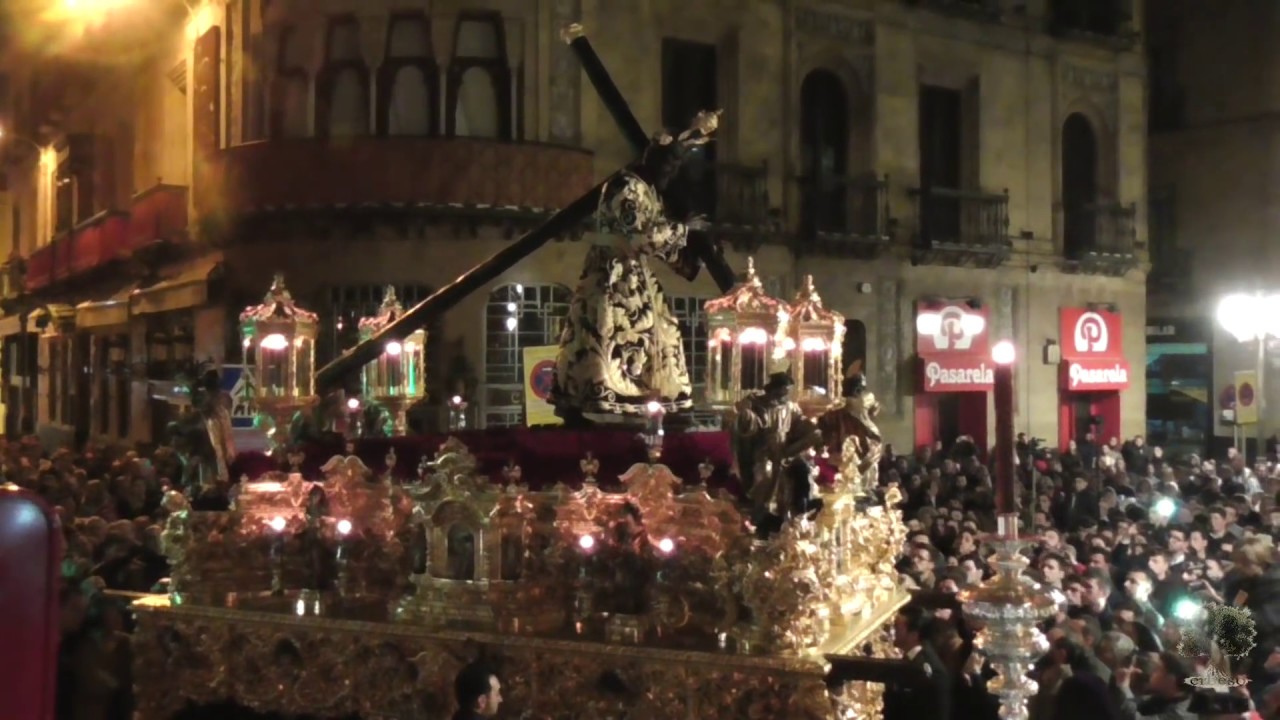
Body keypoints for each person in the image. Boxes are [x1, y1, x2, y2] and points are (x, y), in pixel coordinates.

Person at [551, 110, 720, 423]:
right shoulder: (626, 186)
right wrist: (685, 230)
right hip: (613, 276)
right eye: (667, 164)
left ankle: (654, 402)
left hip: (635, 272)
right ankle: (601, 402)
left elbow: (653, 236)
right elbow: (640, 234)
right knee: (609, 336)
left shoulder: (649, 190)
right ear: (652, 159)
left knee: (664, 331)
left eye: (675, 166)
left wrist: (686, 256)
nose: (670, 172)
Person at [883, 604, 950, 720]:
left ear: (913, 635)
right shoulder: (918, 656)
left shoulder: (923, 670)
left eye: (897, 628)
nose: (892, 632)